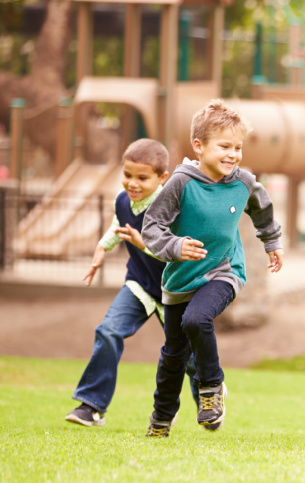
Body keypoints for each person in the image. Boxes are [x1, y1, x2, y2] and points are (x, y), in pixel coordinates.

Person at [142, 99, 284, 437]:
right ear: (199, 146)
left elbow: (262, 207)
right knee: (173, 355)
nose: (233, 154)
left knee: (197, 318)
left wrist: (272, 242)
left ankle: (211, 389)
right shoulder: (180, 183)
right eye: (224, 146)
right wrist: (175, 247)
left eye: (237, 147)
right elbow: (152, 227)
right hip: (180, 280)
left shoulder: (243, 182)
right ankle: (161, 418)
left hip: (224, 271)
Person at [65, 139, 198, 427]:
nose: (132, 184)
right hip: (138, 286)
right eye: (127, 175)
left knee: (189, 358)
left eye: (142, 177)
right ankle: (91, 406)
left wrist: (144, 244)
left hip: (173, 292)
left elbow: (181, 251)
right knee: (108, 331)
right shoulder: (123, 200)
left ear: (162, 178)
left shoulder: (173, 207)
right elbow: (118, 225)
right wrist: (102, 249)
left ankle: (209, 401)